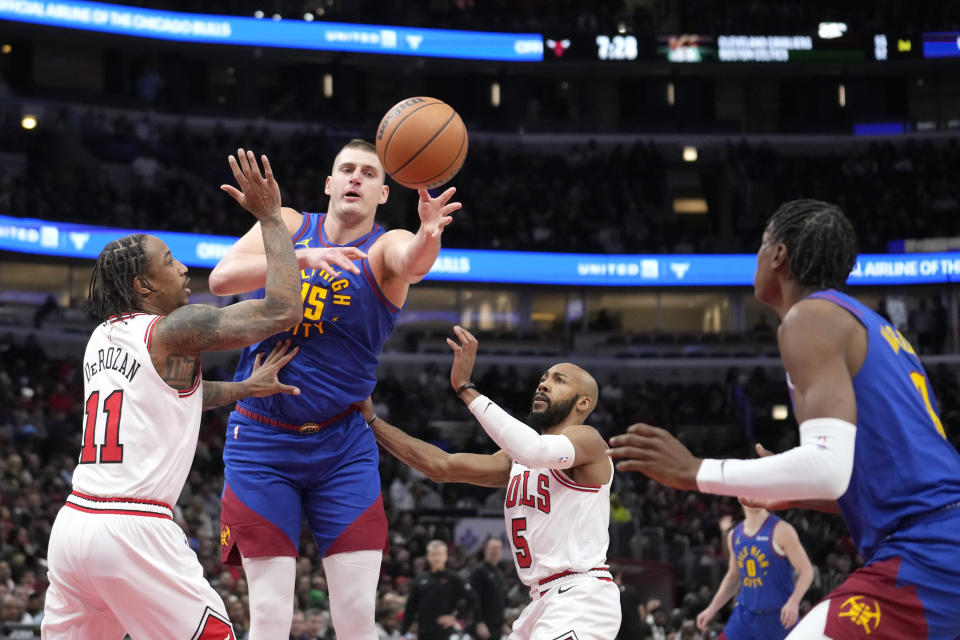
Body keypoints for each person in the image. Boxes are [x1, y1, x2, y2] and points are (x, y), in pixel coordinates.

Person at [609, 199, 960, 639]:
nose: (756, 257)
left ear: (778, 256)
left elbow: (828, 471)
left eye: (760, 245)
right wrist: (792, 494)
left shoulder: (809, 318)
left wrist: (694, 470)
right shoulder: (871, 327)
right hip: (937, 538)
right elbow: (871, 481)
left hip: (930, 549)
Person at [41, 150, 310, 639]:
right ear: (144, 284)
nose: (184, 268)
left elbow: (170, 396)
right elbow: (284, 309)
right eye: (170, 262)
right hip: (132, 528)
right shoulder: (174, 330)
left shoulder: (102, 337)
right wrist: (272, 217)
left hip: (74, 526)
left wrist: (244, 388)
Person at [208, 138, 462, 640]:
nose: (355, 179)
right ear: (329, 183)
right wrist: (300, 259)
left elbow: (412, 261)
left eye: (368, 174)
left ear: (383, 194)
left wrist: (429, 233)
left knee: (355, 618)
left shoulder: (385, 247)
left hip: (341, 444)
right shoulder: (288, 225)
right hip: (261, 442)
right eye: (346, 169)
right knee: (271, 615)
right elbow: (220, 279)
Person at [363, 325, 621, 640]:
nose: (543, 384)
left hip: (582, 597)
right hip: (541, 601)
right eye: (543, 378)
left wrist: (465, 388)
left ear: (583, 403)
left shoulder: (589, 441)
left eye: (558, 380)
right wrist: (372, 421)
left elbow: (534, 448)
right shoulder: (518, 458)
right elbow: (441, 466)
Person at [695, 503, 813, 639]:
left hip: (779, 618)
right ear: (739, 497)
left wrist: (794, 602)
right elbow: (733, 576)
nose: (752, 495)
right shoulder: (734, 535)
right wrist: (712, 609)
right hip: (744, 616)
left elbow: (807, 571)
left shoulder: (782, 530)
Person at [401, 540, 476, 640]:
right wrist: (403, 633)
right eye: (433, 554)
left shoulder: (454, 578)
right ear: (428, 557)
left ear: (445, 556)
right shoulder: (420, 579)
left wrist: (456, 617)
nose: (436, 558)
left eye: (440, 554)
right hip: (424, 633)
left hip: (446, 632)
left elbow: (473, 599)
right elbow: (410, 608)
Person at [470, 537, 506, 640]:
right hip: (484, 627)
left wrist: (502, 624)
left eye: (499, 548)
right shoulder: (479, 571)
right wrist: (479, 622)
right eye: (493, 548)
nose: (496, 551)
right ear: (486, 550)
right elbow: (474, 599)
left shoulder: (499, 572)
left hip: (497, 627)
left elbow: (499, 601)